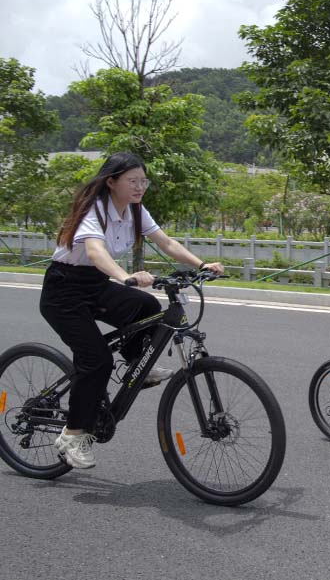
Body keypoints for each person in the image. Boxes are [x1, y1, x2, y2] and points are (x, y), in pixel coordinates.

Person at [40, 152, 224, 470]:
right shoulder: (94, 212)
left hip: (95, 284)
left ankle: (137, 361)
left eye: (143, 181)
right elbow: (96, 252)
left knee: (148, 307)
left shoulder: (135, 211)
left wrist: (201, 264)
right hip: (64, 291)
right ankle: (72, 435)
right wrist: (125, 277)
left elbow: (165, 242)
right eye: (133, 181)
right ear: (112, 182)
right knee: (96, 361)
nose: (140, 186)